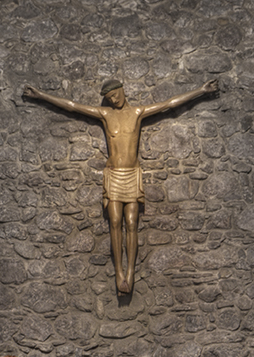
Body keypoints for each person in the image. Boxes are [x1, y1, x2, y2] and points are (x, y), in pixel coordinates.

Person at [23, 78, 218, 294]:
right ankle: (118, 271)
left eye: (115, 95)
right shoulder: (106, 115)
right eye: (109, 98)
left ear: (122, 90)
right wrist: (41, 95)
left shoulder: (137, 113)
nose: (114, 100)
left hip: (132, 174)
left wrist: (201, 90)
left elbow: (169, 103)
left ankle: (131, 271)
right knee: (115, 222)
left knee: (132, 222)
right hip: (114, 174)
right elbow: (72, 106)